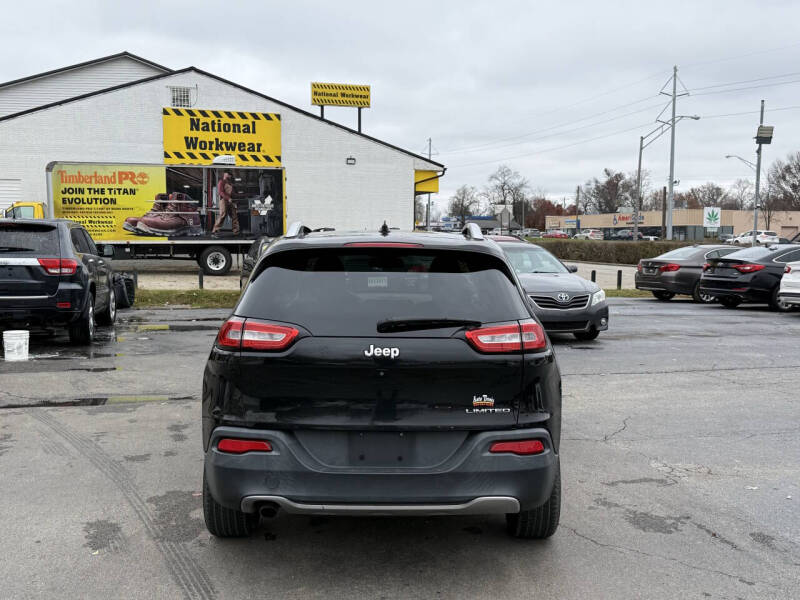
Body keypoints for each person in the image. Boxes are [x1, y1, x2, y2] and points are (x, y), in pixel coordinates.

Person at [212, 170, 239, 236]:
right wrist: (228, 198)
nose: (230, 176)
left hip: (230, 201)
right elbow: (221, 192)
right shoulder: (221, 182)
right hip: (224, 200)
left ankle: (236, 231)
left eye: (230, 175)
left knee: (234, 215)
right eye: (228, 174)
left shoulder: (230, 184)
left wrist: (237, 198)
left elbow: (233, 194)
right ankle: (215, 231)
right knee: (223, 214)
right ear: (225, 174)